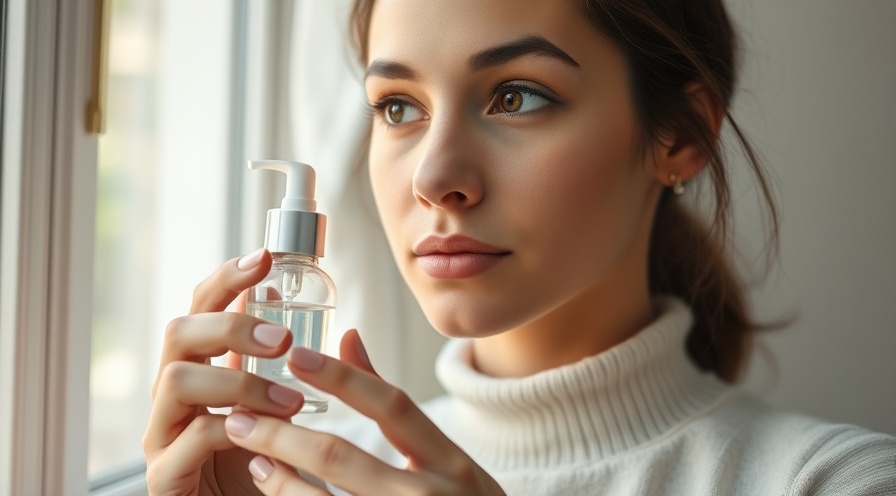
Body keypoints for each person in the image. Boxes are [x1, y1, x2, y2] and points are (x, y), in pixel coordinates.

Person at [143, 0, 896, 494]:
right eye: (397, 107)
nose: (435, 179)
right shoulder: (294, 470)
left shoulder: (836, 482)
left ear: (681, 135)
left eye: (516, 96)